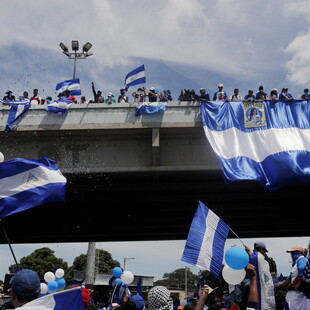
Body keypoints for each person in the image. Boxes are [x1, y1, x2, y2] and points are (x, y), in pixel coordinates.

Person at [276, 245, 308, 310]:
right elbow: (289, 278)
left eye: (293, 252)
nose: (292, 255)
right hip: (292, 295)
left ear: (298, 252)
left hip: (298, 295)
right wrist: (279, 285)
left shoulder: (302, 259)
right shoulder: (295, 264)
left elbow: (301, 269)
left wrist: (297, 283)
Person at [245, 242, 276, 310]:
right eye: (264, 251)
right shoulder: (259, 257)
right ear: (261, 249)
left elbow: (253, 259)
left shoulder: (256, 257)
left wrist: (249, 252)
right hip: (262, 291)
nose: (265, 253)